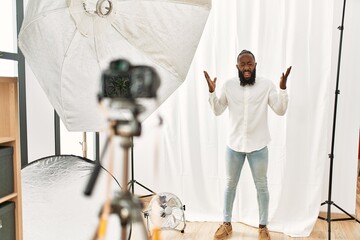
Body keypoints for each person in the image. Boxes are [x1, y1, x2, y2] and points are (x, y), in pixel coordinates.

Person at [204, 50, 292, 240]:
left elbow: (280, 110)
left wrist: (283, 89)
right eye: (243, 64)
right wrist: (212, 92)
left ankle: (263, 227)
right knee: (229, 185)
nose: (246, 67)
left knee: (262, 187)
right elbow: (218, 110)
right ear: (237, 66)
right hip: (234, 145)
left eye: (249, 64)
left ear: (255, 65)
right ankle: (226, 224)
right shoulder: (228, 85)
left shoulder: (266, 85)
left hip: (259, 146)